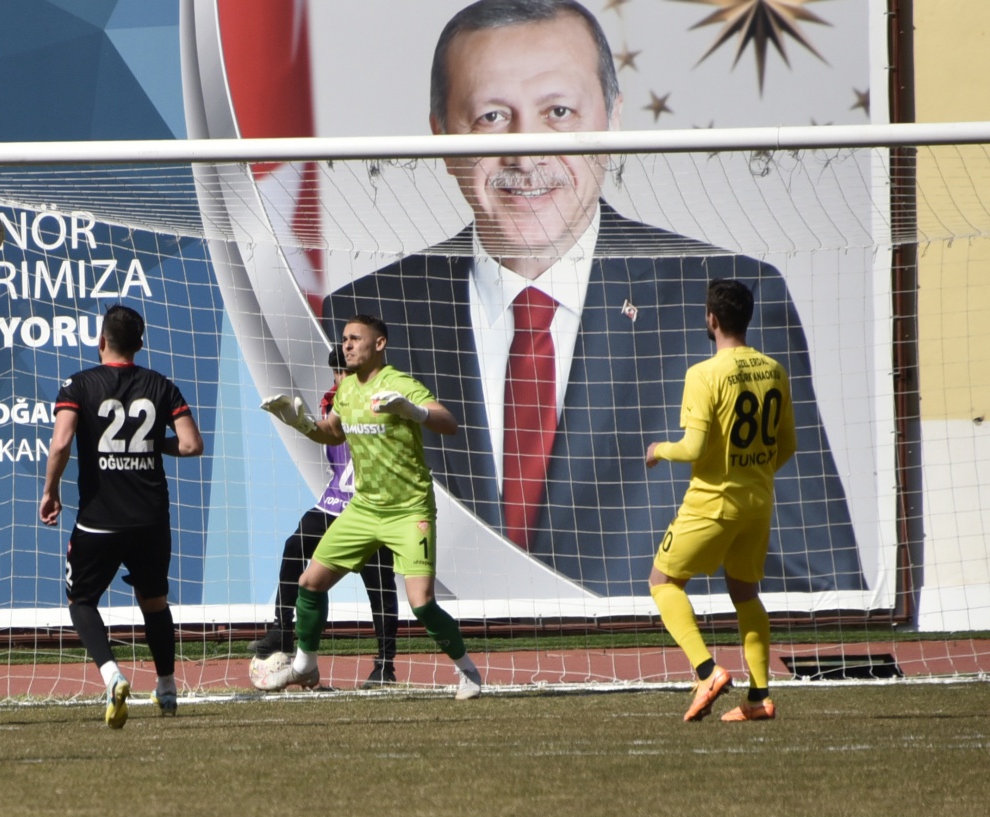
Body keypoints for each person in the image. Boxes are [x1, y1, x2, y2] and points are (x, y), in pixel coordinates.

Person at [320, 0, 862, 599]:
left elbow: (821, 577)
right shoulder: (367, 312)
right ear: (442, 138)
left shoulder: (724, 297)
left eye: (558, 112)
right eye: (493, 117)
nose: (526, 154)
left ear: (612, 119)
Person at [254, 315, 483, 698]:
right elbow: (332, 432)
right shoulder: (346, 390)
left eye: (355, 339)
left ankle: (468, 671)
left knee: (422, 603)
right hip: (363, 510)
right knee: (309, 583)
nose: (346, 345)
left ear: (379, 344)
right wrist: (299, 422)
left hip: (409, 511)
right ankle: (305, 666)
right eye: (344, 338)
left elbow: (449, 422)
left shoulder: (399, 383)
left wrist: (415, 412)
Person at [39, 304, 204, 729]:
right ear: (140, 344)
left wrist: (50, 491)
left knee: (81, 601)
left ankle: (113, 675)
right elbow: (191, 445)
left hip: (99, 519)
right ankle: (167, 688)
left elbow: (61, 443)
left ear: (101, 341)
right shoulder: (160, 384)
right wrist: (150, 443)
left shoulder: (79, 384)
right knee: (155, 603)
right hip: (150, 518)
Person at [648, 280, 791, 723]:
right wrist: (752, 472)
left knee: (662, 582)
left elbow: (692, 447)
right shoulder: (774, 370)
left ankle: (707, 671)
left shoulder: (703, 374)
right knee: (745, 593)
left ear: (711, 319)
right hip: (758, 502)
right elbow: (787, 446)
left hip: (712, 501)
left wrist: (658, 449)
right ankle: (759, 696)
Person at [250, 345, 400, 688]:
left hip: (371, 506)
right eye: (338, 373)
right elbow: (328, 431)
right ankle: (283, 629)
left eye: (349, 372)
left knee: (379, 583)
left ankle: (385, 665)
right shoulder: (333, 401)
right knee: (295, 547)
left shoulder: (383, 398)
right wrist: (299, 421)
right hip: (335, 501)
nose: (343, 378)